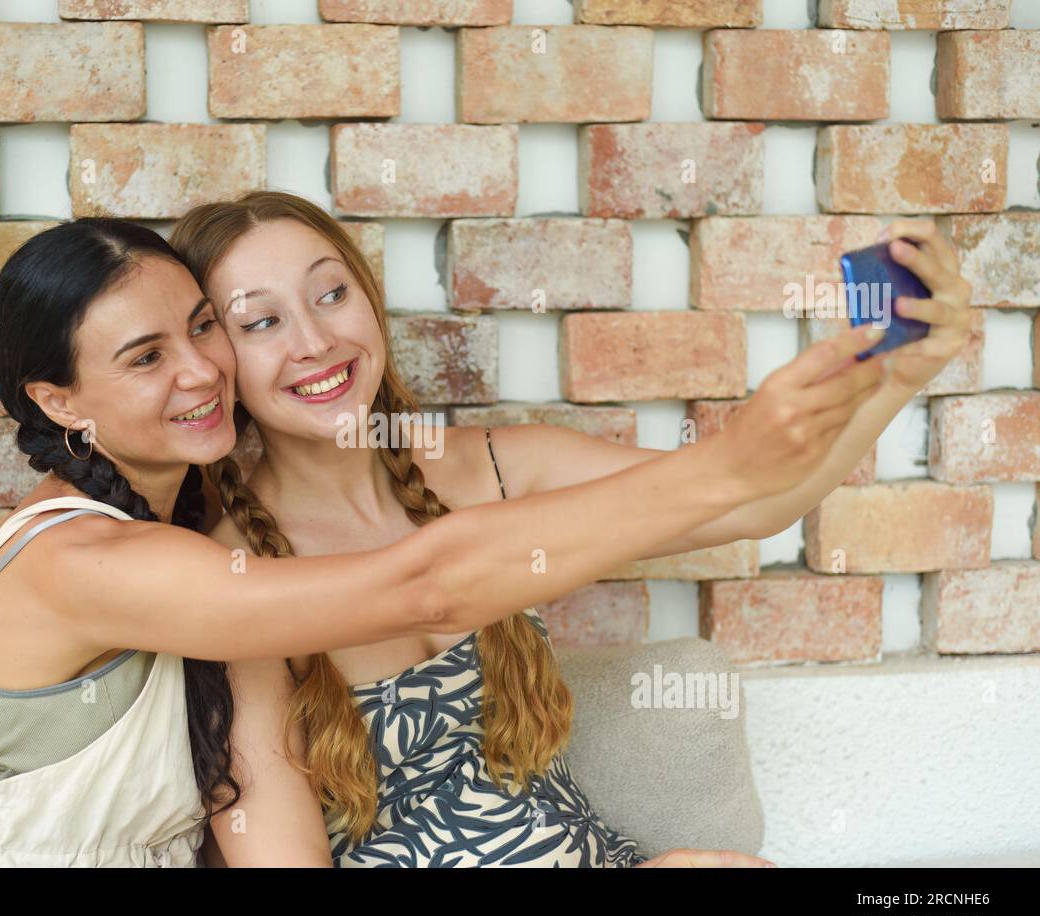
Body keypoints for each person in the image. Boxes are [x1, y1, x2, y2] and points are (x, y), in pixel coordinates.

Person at [168, 191, 971, 867]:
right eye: (260, 322)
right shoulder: (232, 582)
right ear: (216, 360)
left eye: (330, 293)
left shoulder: (494, 467)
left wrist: (900, 375)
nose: (315, 341)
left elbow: (756, 503)